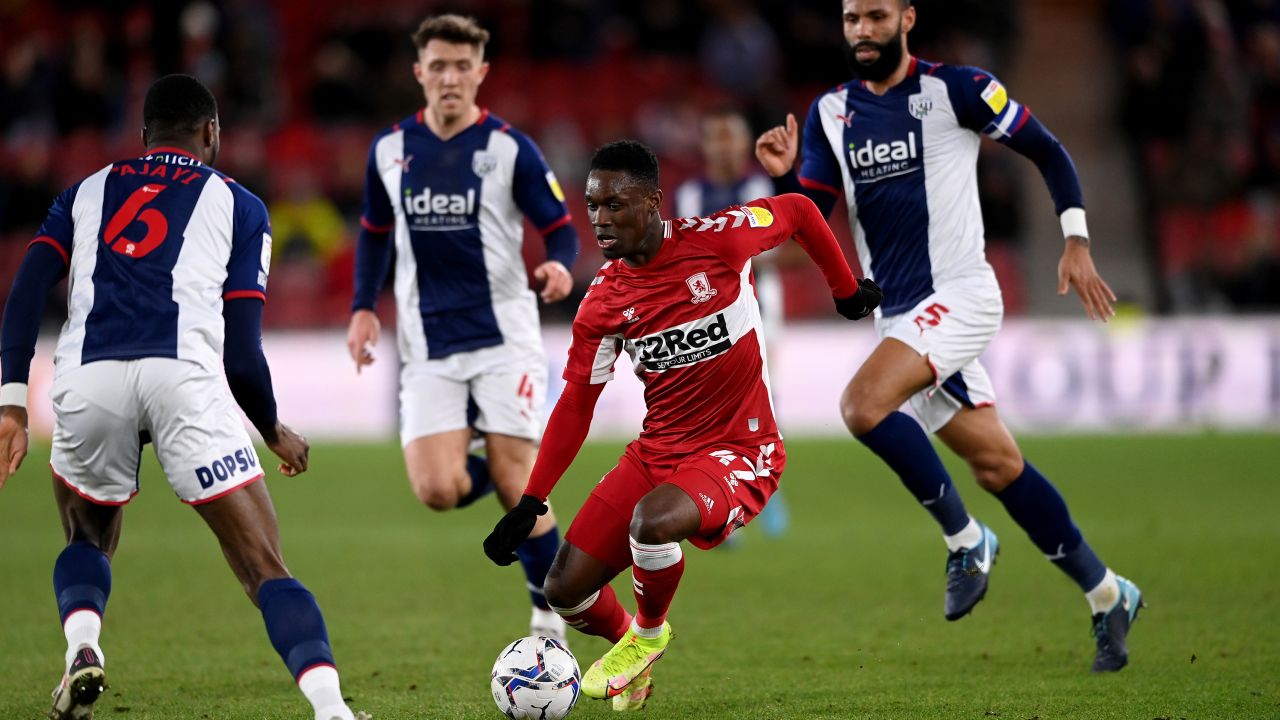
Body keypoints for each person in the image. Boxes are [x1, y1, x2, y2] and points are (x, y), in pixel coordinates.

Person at [754, 0, 1143, 672]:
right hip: (901, 319)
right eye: (850, 19)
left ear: (907, 17)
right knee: (997, 465)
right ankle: (1110, 593)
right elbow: (811, 220)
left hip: (960, 296)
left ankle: (967, 541)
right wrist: (785, 177)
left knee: (861, 405)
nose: (861, 31)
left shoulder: (957, 89)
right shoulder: (829, 112)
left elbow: (1046, 150)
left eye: (875, 16)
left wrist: (1075, 239)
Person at [0, 75, 366, 720]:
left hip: (88, 377)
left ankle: (83, 647)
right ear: (212, 134)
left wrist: (8, 402)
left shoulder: (83, 192)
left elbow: (25, 291)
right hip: (183, 380)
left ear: (143, 137)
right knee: (264, 566)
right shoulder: (241, 204)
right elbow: (242, 351)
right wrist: (273, 427)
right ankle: (331, 710)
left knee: (87, 534)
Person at [483, 140, 882, 710]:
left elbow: (797, 209)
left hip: (742, 449)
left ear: (652, 202)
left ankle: (647, 635)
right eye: (593, 205)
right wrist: (532, 501)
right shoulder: (602, 303)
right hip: (658, 452)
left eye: (615, 204)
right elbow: (576, 404)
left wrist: (845, 291)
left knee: (653, 522)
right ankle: (632, 653)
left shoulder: (718, 240)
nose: (600, 219)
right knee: (563, 588)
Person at [345, 14, 579, 642]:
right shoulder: (389, 150)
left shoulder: (509, 149)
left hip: (504, 338)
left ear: (481, 72)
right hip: (427, 346)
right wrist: (362, 306)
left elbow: (560, 225)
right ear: (420, 73)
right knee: (438, 490)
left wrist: (559, 262)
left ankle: (547, 612)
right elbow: (371, 231)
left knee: (514, 481)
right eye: (438, 66)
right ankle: (487, 447)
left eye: (462, 66)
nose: (450, 78)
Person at [674, 107, 797, 540]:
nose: (723, 147)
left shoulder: (763, 185)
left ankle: (768, 487)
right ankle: (720, 493)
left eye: (730, 138)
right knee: (707, 399)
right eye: (715, 138)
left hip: (760, 302)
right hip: (703, 310)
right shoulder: (688, 192)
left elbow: (782, 242)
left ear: (744, 144)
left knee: (763, 392)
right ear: (705, 145)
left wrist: (724, 254)